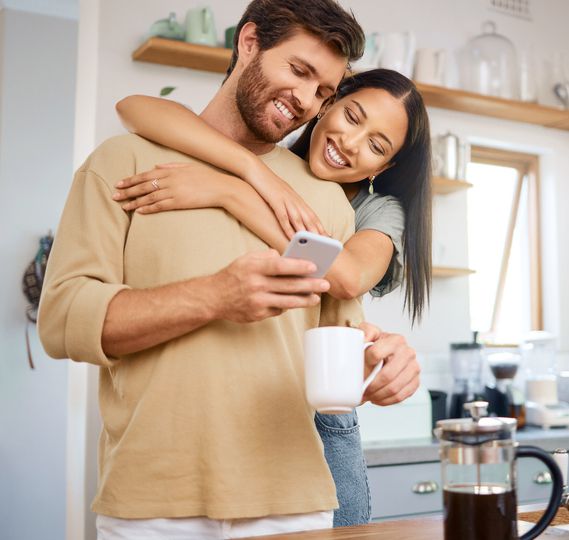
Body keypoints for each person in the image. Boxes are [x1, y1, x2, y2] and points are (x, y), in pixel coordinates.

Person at [38, 2, 420, 539]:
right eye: (298, 71)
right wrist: (214, 297)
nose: (306, 101)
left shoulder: (325, 202)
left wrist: (382, 364)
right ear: (248, 43)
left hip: (294, 504)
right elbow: (61, 322)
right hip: (153, 507)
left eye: (323, 92)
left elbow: (337, 350)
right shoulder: (123, 163)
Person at [113, 69, 432, 526]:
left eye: (377, 146)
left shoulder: (379, 210)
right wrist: (254, 172)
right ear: (328, 104)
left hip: (322, 420)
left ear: (385, 167)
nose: (351, 142)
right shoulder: (270, 167)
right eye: (351, 116)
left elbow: (347, 277)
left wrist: (231, 193)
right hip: (234, 416)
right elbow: (133, 107)